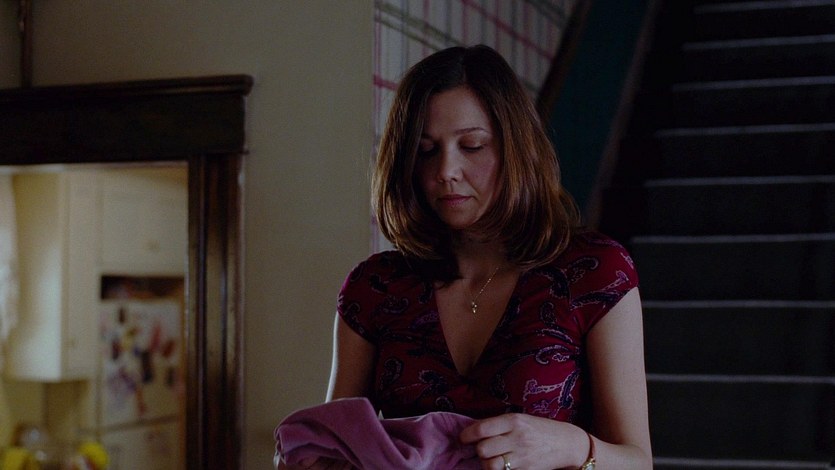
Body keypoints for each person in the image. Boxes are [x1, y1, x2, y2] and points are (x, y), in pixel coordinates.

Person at [280, 44, 652, 470]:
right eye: (426, 150)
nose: (446, 171)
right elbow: (334, 447)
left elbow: (638, 463)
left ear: (516, 148)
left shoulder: (594, 272)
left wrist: (573, 447)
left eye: (472, 146)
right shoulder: (375, 288)